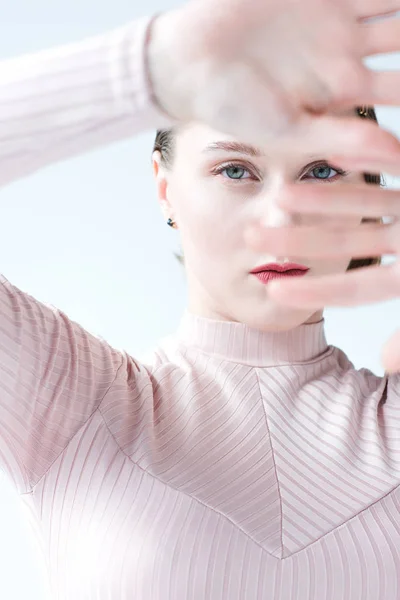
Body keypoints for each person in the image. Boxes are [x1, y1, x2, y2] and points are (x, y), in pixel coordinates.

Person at [1, 1, 400, 599]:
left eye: (322, 171)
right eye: (236, 170)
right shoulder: (70, 399)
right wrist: (150, 66)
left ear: (369, 193)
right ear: (166, 189)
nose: (281, 214)